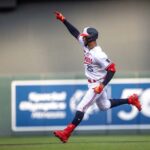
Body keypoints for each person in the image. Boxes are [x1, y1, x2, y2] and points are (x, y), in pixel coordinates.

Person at [53, 11, 142, 143]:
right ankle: (131, 100)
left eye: (85, 36)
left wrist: (102, 86)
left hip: (96, 85)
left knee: (81, 107)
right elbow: (75, 33)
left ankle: (66, 133)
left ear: (90, 39)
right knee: (104, 106)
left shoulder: (98, 54)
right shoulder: (86, 44)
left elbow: (112, 69)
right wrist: (63, 20)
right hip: (93, 82)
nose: (82, 38)